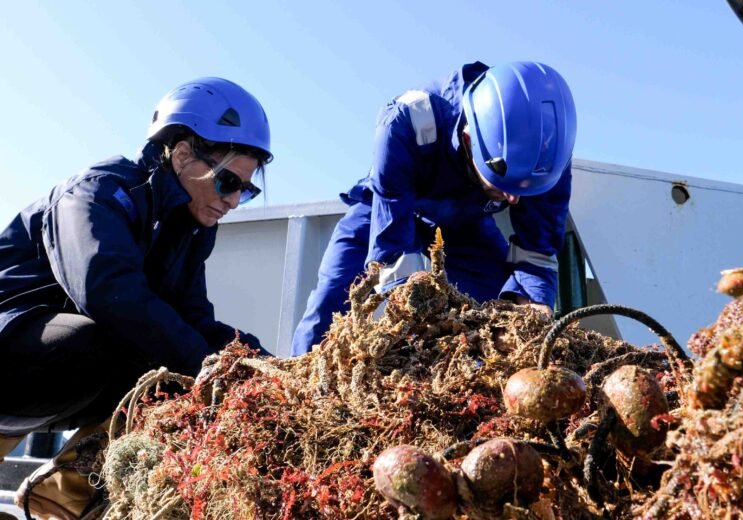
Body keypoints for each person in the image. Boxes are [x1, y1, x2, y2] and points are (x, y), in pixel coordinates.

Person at [0, 77, 273, 519]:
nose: (235, 200)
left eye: (246, 189)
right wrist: (207, 367)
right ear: (183, 155)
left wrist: (265, 367)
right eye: (228, 182)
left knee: (177, 368)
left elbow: (195, 321)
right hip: (13, 344)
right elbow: (108, 292)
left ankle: (66, 493)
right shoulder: (97, 193)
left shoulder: (187, 231)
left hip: (50, 364)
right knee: (125, 342)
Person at [291, 61, 576, 356]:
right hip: (389, 212)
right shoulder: (408, 120)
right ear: (468, 141)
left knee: (498, 308)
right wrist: (411, 296)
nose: (513, 200)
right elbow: (392, 237)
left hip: (466, 226)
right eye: (502, 186)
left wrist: (533, 301)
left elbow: (538, 250)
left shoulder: (547, 157)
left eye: (522, 191)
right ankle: (300, 388)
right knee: (333, 301)